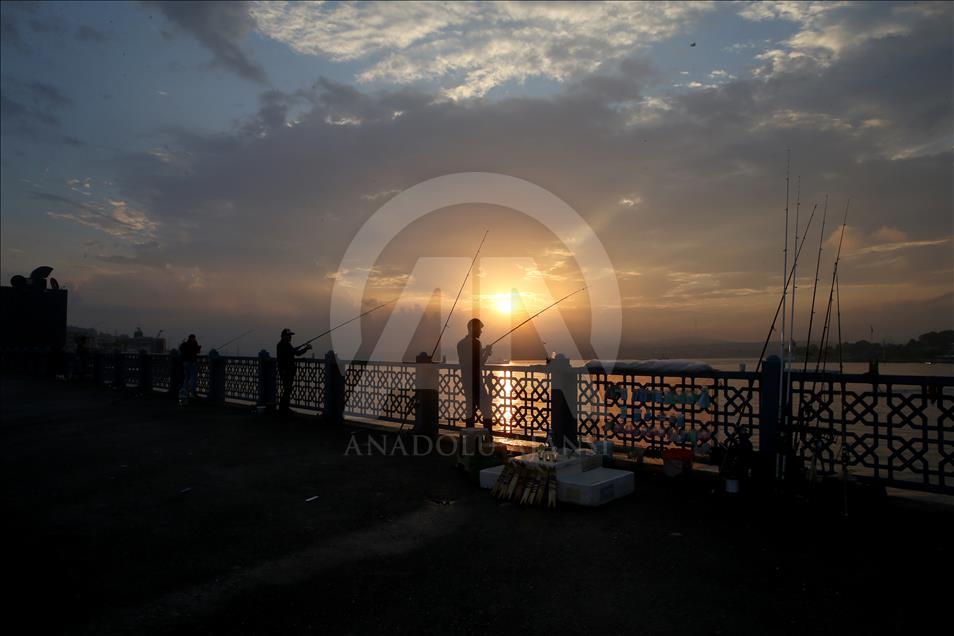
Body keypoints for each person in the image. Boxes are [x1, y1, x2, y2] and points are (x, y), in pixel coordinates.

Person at [457, 318, 493, 429]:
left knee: (470, 412)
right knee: (487, 411)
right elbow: (480, 363)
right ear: (472, 328)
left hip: (466, 382)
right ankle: (488, 438)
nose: (481, 332)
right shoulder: (477, 343)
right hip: (477, 383)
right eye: (479, 329)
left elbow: (467, 360)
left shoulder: (461, 344)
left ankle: (470, 437)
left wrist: (483, 351)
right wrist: (486, 353)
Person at [276, 328, 311, 417]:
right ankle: (283, 410)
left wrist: (302, 348)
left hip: (288, 371)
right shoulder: (282, 345)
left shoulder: (286, 345)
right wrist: (305, 348)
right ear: (284, 336)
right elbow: (295, 352)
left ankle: (284, 409)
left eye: (291, 335)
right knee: (287, 390)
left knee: (288, 390)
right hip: (285, 372)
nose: (290, 337)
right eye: (289, 335)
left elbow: (293, 353)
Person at [178, 334, 201, 403]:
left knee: (186, 378)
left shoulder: (184, 344)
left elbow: (181, 349)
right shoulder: (193, 344)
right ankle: (192, 393)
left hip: (185, 363)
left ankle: (184, 392)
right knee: (193, 378)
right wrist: (198, 347)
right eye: (194, 338)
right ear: (193, 338)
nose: (195, 339)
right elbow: (197, 351)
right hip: (192, 362)